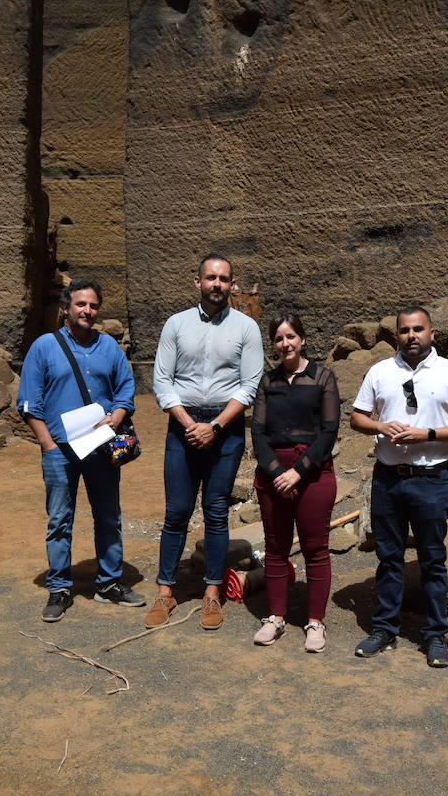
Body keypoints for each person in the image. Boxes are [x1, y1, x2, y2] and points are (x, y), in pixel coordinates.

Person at [349, 306, 448, 667]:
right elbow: (357, 417)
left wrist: (428, 434)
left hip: (431, 477)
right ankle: (385, 629)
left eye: (418, 329)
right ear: (397, 335)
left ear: (432, 333)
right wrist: (380, 426)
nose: (412, 336)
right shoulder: (380, 371)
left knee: (432, 559)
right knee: (389, 558)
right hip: (389, 478)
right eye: (405, 330)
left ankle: (435, 634)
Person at [16, 278, 145, 622]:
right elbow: (29, 402)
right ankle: (59, 588)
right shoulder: (44, 347)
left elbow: (125, 392)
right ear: (66, 308)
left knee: (108, 516)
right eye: (80, 305)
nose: (87, 311)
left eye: (93, 305)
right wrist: (46, 442)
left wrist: (116, 419)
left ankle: (109, 583)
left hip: (101, 449)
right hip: (60, 451)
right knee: (60, 519)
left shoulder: (109, 349)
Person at [148, 254, 265, 630]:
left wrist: (213, 426)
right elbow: (163, 380)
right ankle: (165, 592)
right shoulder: (176, 324)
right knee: (177, 511)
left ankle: (212, 593)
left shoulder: (246, 328)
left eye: (224, 279)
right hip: (182, 425)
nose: (217, 284)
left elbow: (249, 385)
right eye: (210, 278)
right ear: (196, 282)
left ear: (233, 285)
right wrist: (188, 422)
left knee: (215, 510)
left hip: (226, 427)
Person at [249, 313, 341, 652]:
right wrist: (276, 472)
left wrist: (298, 471)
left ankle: (315, 622)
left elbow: (329, 431)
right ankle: (275, 617)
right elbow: (257, 431)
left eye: (291, 337)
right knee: (276, 547)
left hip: (313, 472)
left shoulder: (323, 378)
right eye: (278, 339)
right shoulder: (267, 382)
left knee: (316, 548)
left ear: (302, 339)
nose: (285, 344)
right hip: (274, 473)